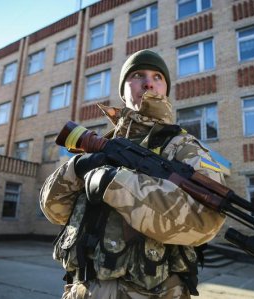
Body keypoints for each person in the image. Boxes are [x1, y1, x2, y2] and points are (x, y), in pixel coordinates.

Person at [40, 50, 226, 299]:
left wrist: (113, 182)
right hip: (82, 291)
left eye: (158, 76)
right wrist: (78, 168)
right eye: (138, 75)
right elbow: (55, 210)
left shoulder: (184, 147)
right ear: (123, 89)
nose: (149, 82)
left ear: (165, 89)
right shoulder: (102, 144)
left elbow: (206, 222)